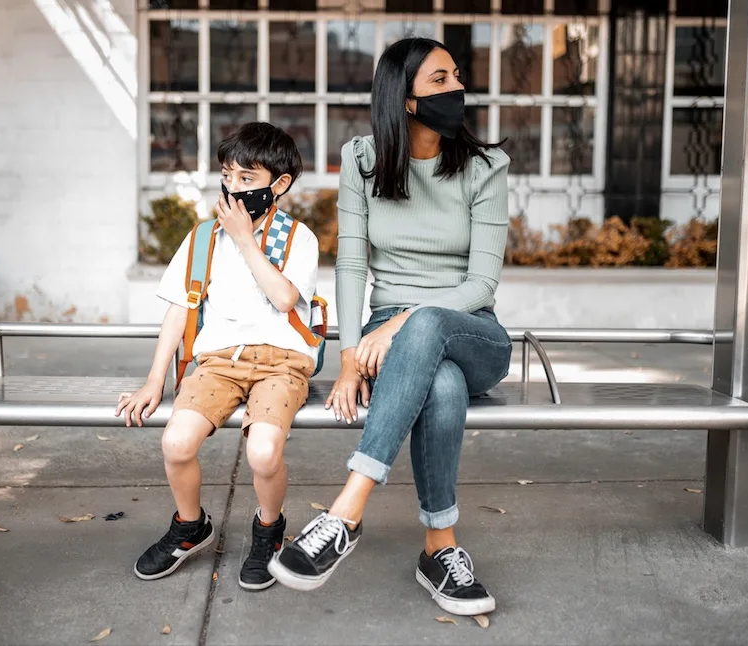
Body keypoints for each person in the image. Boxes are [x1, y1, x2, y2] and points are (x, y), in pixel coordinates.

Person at [268, 38, 512, 616]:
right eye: (439, 80)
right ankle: (440, 550)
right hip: (390, 337)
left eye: (456, 75)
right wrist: (350, 357)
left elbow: (481, 285)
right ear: (403, 100)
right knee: (442, 386)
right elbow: (350, 264)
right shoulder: (361, 160)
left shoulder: (485, 167)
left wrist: (402, 322)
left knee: (431, 331)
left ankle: (347, 511)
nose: (456, 88)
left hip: (472, 328)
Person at [115, 122, 319, 591]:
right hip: (218, 363)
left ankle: (269, 530)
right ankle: (191, 526)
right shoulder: (203, 238)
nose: (234, 188)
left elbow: (286, 300)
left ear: (279, 185)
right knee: (175, 443)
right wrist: (154, 380)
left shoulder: (297, 238)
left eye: (248, 179)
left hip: (281, 363)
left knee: (263, 453)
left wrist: (246, 239)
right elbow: (178, 311)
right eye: (228, 177)